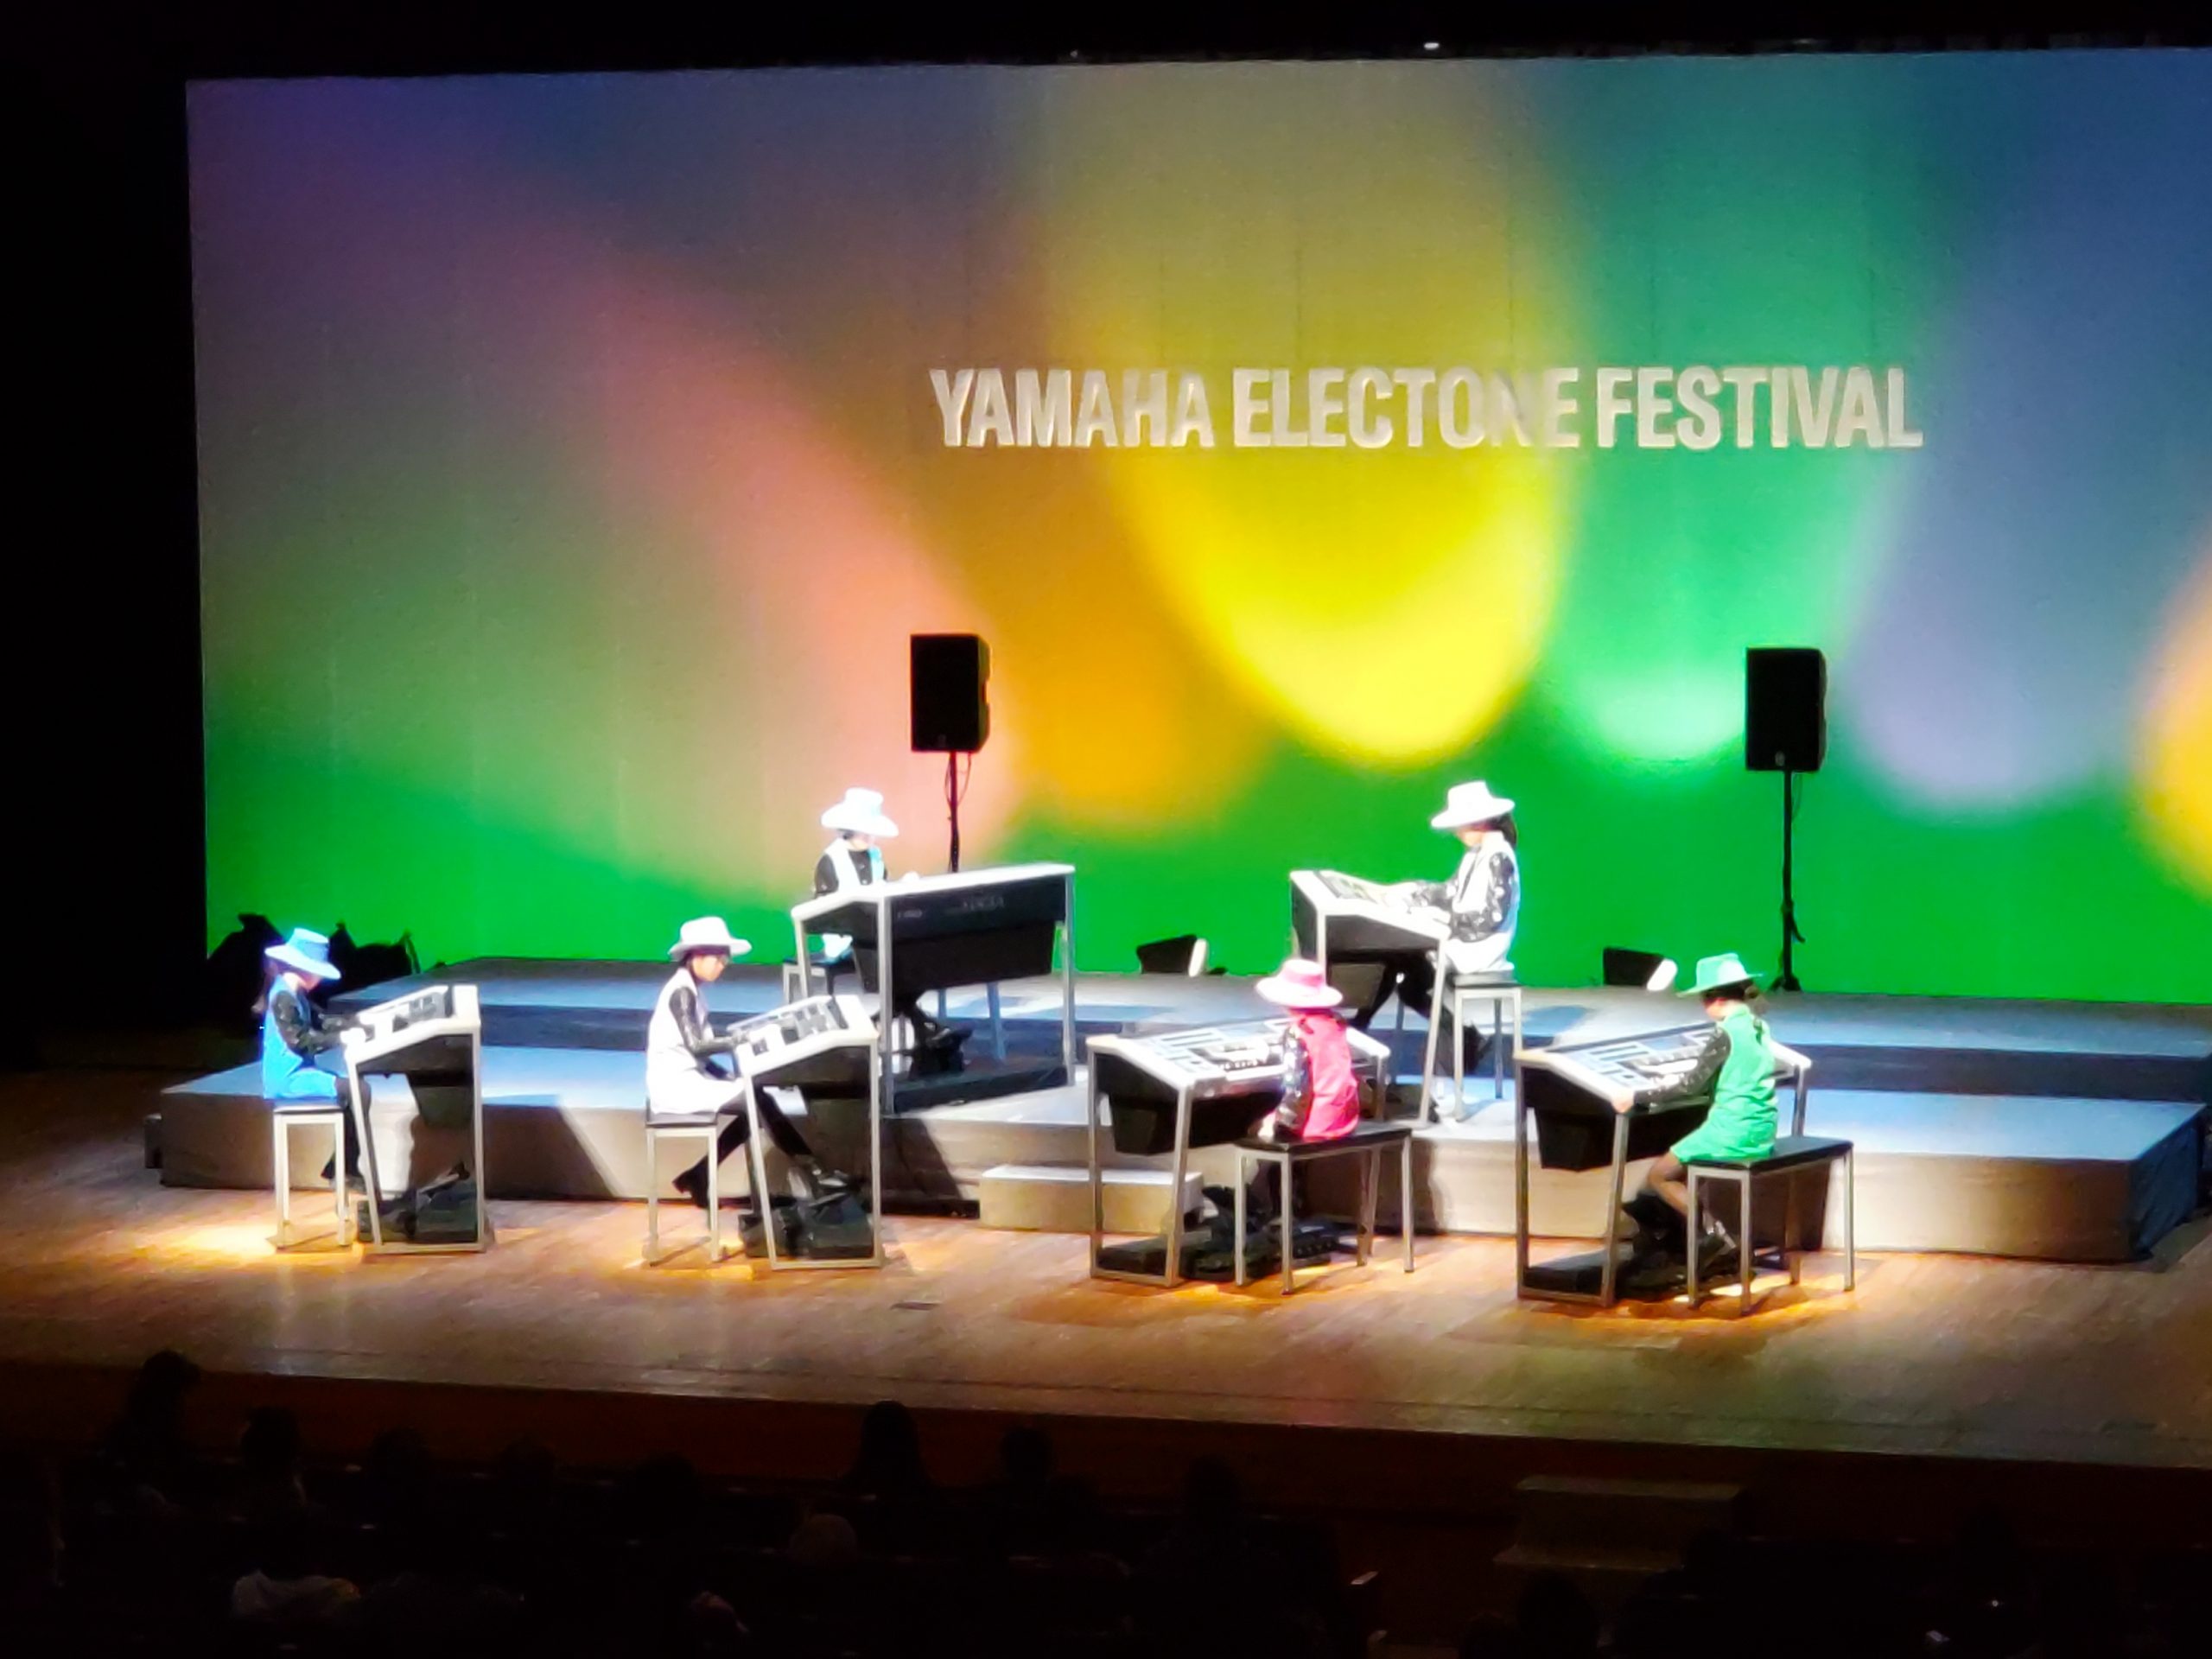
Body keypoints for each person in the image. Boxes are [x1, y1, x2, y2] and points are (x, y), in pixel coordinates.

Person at [653, 917, 855, 1210]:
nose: (723, 964)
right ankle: (816, 1175)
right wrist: (739, 1040)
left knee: (755, 1102)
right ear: (695, 955)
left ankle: (700, 1174)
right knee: (758, 1101)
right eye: (717, 957)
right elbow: (696, 1046)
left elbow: (698, 1054)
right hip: (676, 1085)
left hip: (690, 1078)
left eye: (724, 958)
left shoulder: (690, 989)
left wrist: (725, 1075)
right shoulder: (681, 993)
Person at [1620, 952, 1779, 1279]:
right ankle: (1695, 1242)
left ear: (1714, 1000)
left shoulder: (1725, 1033)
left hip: (1732, 1129)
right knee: (1684, 1168)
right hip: (1762, 1128)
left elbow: (1689, 1087)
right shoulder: (1758, 1025)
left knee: (1660, 1175)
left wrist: (1636, 1097)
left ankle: (1716, 1238)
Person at [1205, 958, 1365, 1234]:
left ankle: (1277, 1217)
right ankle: (1289, 1211)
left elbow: (1297, 1090)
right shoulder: (1334, 1024)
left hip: (1317, 1121)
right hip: (1342, 1117)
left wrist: (1274, 1122)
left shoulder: (1297, 1032)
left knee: (1258, 1132)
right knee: (1274, 1131)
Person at [811, 786, 964, 1072]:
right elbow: (824, 910)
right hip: (846, 940)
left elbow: (882, 890)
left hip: (878, 933)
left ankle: (883, 1023)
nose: (870, 837)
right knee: (900, 964)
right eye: (865, 831)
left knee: (920, 958)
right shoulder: (831, 860)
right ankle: (921, 1027)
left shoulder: (875, 856)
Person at [260, 926, 365, 1184]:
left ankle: (343, 1165)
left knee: (356, 1085)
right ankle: (346, 1168)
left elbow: (323, 1021)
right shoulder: (283, 997)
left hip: (300, 1074)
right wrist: (343, 1038)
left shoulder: (295, 995)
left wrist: (360, 1023)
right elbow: (300, 1041)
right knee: (357, 1090)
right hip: (287, 1080)